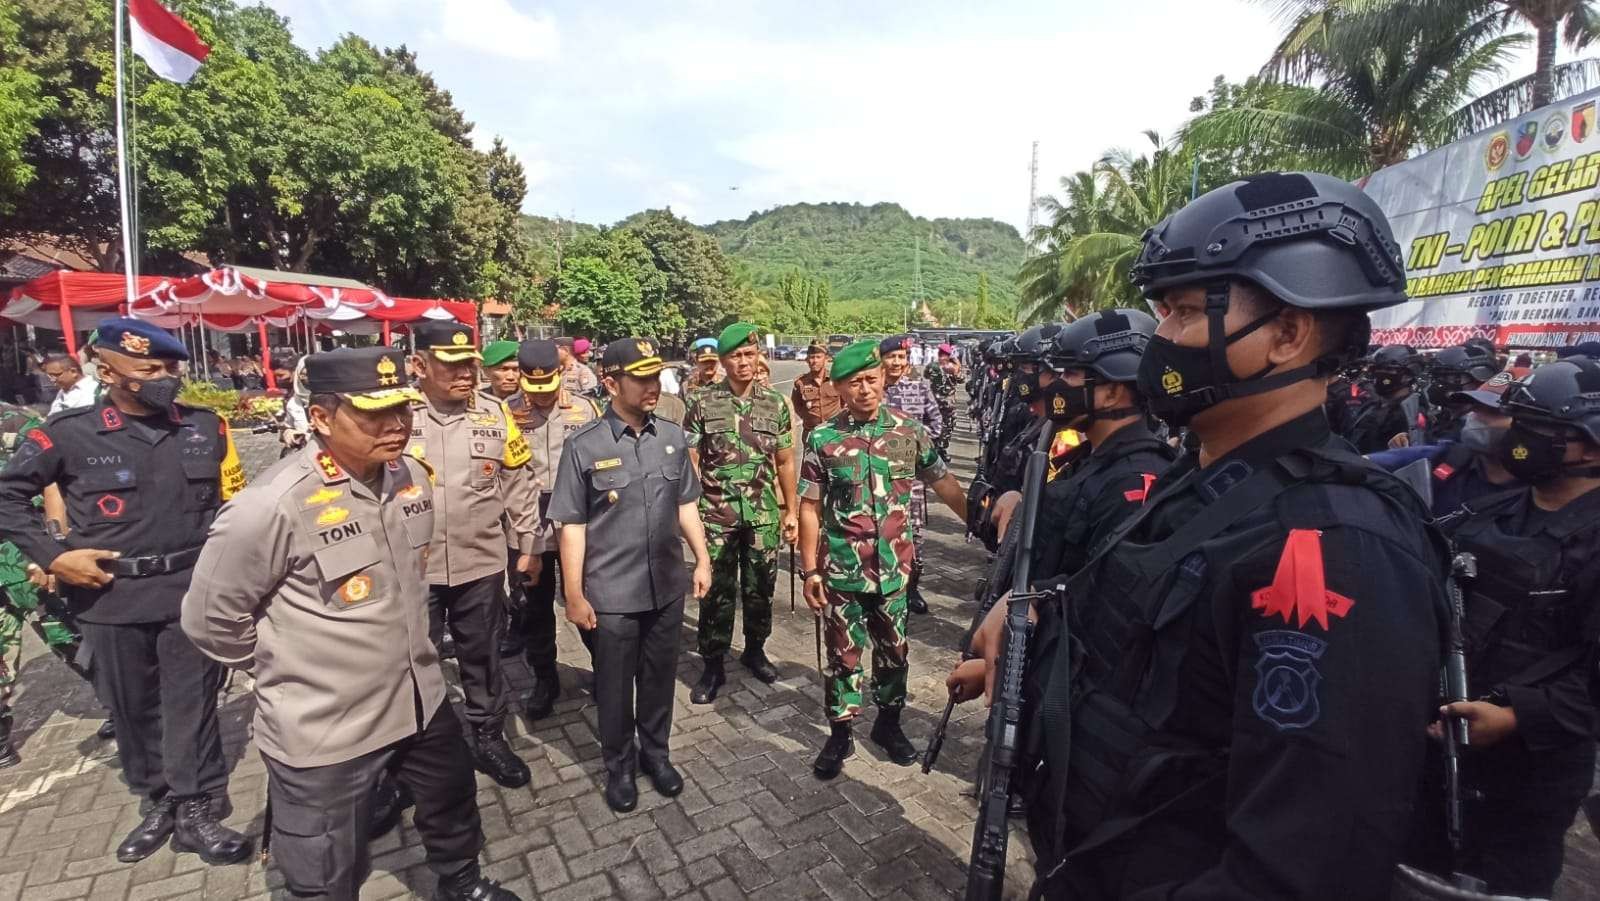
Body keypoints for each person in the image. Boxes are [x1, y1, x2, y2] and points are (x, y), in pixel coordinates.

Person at [1014, 172, 1447, 899]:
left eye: (1183, 311)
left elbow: (1301, 870)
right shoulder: (1211, 482)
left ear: (1288, 333)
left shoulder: (1338, 544)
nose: (1162, 339)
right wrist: (1032, 608)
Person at [182, 346, 521, 901]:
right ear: (320, 416)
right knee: (325, 865)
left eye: (402, 411)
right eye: (373, 414)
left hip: (419, 697)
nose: (396, 426)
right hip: (326, 723)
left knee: (451, 802)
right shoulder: (270, 506)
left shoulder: (410, 475)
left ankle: (461, 884)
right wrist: (287, 667)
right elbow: (209, 620)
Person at [0, 319, 251, 866]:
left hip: (192, 590)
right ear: (107, 371)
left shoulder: (205, 426)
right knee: (133, 709)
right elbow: (8, 498)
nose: (165, 379)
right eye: (149, 370)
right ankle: (157, 799)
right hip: (111, 595)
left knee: (193, 704)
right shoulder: (67, 433)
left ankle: (196, 807)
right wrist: (53, 555)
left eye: (171, 369)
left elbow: (233, 506)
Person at [1404, 358, 1600, 897]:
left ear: (1588, 443)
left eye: (1536, 427)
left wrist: (1516, 718)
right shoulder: (1490, 515)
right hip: (1441, 748)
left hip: (1530, 777)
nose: (1516, 437)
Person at [548, 337, 712, 812]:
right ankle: (618, 766)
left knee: (660, 680)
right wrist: (574, 594)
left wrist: (701, 559)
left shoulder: (671, 436)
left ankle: (655, 756)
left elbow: (685, 504)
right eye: (639, 378)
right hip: (612, 595)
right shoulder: (584, 446)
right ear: (610, 382)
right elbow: (572, 526)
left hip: (665, 585)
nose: (651, 386)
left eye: (654, 376)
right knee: (615, 689)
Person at [798, 340, 967, 779]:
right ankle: (840, 733)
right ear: (839, 387)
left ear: (882, 379)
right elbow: (810, 507)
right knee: (843, 657)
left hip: (895, 572)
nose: (866, 389)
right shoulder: (823, 439)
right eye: (855, 383)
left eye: (872, 379)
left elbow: (943, 482)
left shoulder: (908, 432)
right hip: (842, 573)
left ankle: (888, 727)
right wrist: (810, 570)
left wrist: (982, 525)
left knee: (894, 654)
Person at [407, 320, 537, 789]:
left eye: (470, 365)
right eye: (452, 365)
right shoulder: (397, 414)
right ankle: (415, 749)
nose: (465, 374)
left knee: (481, 656)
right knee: (410, 660)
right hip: (410, 569)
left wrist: (528, 545)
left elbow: (519, 482)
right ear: (419, 365)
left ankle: (488, 735)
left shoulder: (495, 413)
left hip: (479, 561)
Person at [684, 323, 797, 704]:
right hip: (716, 515)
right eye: (737, 356)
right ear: (724, 360)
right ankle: (713, 663)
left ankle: (754, 650)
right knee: (716, 592)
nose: (745, 362)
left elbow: (784, 461)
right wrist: (692, 511)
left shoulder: (775, 404)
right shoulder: (702, 402)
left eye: (750, 354)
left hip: (763, 515)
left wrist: (790, 510)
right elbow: (691, 460)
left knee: (760, 589)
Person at [501, 340, 602, 718]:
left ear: (561, 374)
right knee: (533, 609)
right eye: (532, 387)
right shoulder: (506, 413)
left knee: (589, 599)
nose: (540, 397)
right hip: (527, 522)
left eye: (548, 387)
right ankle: (545, 679)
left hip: (577, 520)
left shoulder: (585, 408)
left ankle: (604, 670)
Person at [1367, 367, 1526, 516]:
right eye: (1476, 406)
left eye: (1495, 411)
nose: (1477, 417)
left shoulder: (1541, 494)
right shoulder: (1450, 459)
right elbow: (1367, 463)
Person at [879, 335, 944, 615]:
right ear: (882, 360)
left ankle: (912, 587)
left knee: (914, 531)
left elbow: (937, 423)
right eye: (891, 357)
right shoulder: (873, 388)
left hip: (911, 474)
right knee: (880, 528)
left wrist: (910, 445)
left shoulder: (920, 388)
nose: (896, 362)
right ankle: (883, 584)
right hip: (878, 474)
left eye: (901, 358)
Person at [1340, 343, 1423, 453]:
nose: (1379, 375)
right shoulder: (1371, 406)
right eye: (1376, 369)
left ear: (1407, 375)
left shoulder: (1412, 413)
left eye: (1388, 370)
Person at [1417, 341, 1500, 444]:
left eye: (1452, 378)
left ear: (1479, 378)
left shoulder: (1482, 432)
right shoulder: (1444, 416)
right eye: (1438, 378)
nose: (1440, 384)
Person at [791, 343, 841, 439]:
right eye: (811, 357)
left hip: (834, 432)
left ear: (826, 359)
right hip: (811, 433)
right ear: (807, 360)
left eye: (818, 357)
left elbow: (845, 402)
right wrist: (807, 418)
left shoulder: (836, 379)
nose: (814, 361)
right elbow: (796, 405)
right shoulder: (800, 383)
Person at [924, 343, 962, 460]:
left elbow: (926, 376)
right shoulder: (953, 367)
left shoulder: (931, 366)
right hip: (948, 402)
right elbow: (961, 380)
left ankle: (935, 449)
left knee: (934, 424)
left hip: (934, 401)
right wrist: (957, 366)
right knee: (948, 426)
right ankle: (942, 449)